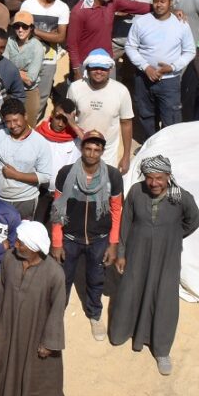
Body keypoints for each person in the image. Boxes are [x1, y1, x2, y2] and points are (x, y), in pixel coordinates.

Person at [109, 155, 199, 375]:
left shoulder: (181, 197)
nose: (154, 183)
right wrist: (121, 253)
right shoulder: (135, 192)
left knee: (164, 298)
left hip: (167, 257)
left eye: (159, 178)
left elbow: (194, 221)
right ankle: (123, 332)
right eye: (149, 178)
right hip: (137, 253)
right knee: (131, 291)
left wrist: (172, 236)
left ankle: (161, 349)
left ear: (168, 176)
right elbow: (126, 223)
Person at [48, 129, 121, 340]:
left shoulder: (113, 176)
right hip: (70, 238)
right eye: (88, 148)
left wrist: (113, 242)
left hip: (99, 239)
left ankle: (95, 314)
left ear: (102, 151)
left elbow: (117, 210)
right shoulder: (66, 173)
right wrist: (57, 242)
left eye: (96, 149)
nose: (91, 153)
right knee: (63, 278)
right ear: (82, 148)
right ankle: (56, 314)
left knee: (97, 278)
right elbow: (57, 208)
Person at [0, 221, 66, 396]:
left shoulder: (55, 274)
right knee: (5, 368)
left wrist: (48, 343)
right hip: (9, 328)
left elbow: (57, 312)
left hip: (35, 333)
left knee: (35, 375)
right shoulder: (9, 259)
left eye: (21, 243)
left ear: (34, 248)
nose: (16, 245)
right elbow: (0, 290)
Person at [125, 0, 194, 141]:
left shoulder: (181, 24)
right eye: (155, 1)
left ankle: (168, 149)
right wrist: (146, 67)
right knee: (146, 115)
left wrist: (173, 67)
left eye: (162, 1)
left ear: (170, 3)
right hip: (144, 79)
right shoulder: (141, 22)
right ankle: (149, 146)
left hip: (169, 81)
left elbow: (190, 51)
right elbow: (130, 46)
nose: (158, 5)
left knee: (171, 117)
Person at [67, 0, 152, 79]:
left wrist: (157, 7)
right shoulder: (79, 12)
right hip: (86, 64)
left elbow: (136, 6)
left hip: (107, 61)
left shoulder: (113, 0)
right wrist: (76, 70)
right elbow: (72, 44)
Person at [0, 99, 52, 220]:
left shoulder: (40, 142)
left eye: (16, 120)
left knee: (21, 237)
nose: (13, 125)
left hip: (25, 201)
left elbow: (45, 176)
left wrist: (17, 175)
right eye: (8, 122)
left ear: (25, 116)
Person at [4, 12, 45, 120]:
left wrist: (11, 70)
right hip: (10, 91)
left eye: (24, 26)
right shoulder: (9, 41)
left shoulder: (37, 47)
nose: (20, 30)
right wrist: (20, 72)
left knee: (29, 126)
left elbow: (30, 79)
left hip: (29, 92)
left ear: (31, 28)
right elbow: (3, 67)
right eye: (17, 26)